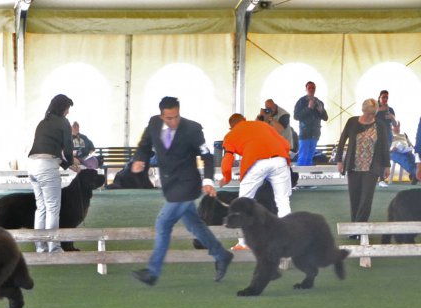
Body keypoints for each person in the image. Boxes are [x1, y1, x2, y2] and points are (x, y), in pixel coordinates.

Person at [129, 96, 233, 286]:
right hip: (170, 185)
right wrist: (139, 160)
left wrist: (208, 180)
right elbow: (144, 146)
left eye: (176, 116)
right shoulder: (153, 124)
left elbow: (207, 157)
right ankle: (221, 255)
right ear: (161, 116)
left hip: (187, 186)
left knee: (163, 224)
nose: (174, 121)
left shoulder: (192, 129)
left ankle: (152, 272)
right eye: (169, 118)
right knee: (195, 226)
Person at [221, 113, 293, 250]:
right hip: (280, 159)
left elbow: (228, 158)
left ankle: (243, 243)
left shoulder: (231, 135)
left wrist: (226, 177)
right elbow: (285, 144)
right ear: (244, 119)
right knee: (283, 201)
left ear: (231, 127)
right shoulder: (262, 125)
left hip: (255, 162)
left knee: (242, 203)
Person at [27, 94, 80, 253]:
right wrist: (71, 162)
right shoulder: (63, 122)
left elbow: (47, 150)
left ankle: (40, 247)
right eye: (68, 108)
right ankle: (54, 247)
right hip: (47, 168)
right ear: (62, 108)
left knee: (41, 208)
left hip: (32, 166)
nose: (68, 112)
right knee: (52, 208)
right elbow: (68, 148)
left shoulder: (43, 122)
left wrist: (67, 165)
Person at [334, 98, 390, 224]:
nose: (370, 116)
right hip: (353, 167)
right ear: (363, 110)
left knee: (366, 200)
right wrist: (339, 161)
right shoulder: (352, 122)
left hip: (372, 168)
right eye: (368, 113)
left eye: (373, 114)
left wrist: (387, 166)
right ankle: (355, 226)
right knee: (354, 198)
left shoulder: (380, 125)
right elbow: (342, 141)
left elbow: (384, 146)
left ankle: (360, 227)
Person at [293, 81, 329, 166]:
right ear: (306, 89)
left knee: (310, 157)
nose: (311, 89)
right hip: (305, 134)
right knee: (303, 156)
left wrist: (321, 111)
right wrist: (308, 108)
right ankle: (300, 173)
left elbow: (325, 118)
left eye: (313, 88)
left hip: (315, 134)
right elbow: (296, 116)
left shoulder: (319, 102)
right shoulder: (301, 101)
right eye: (309, 88)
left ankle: (307, 173)